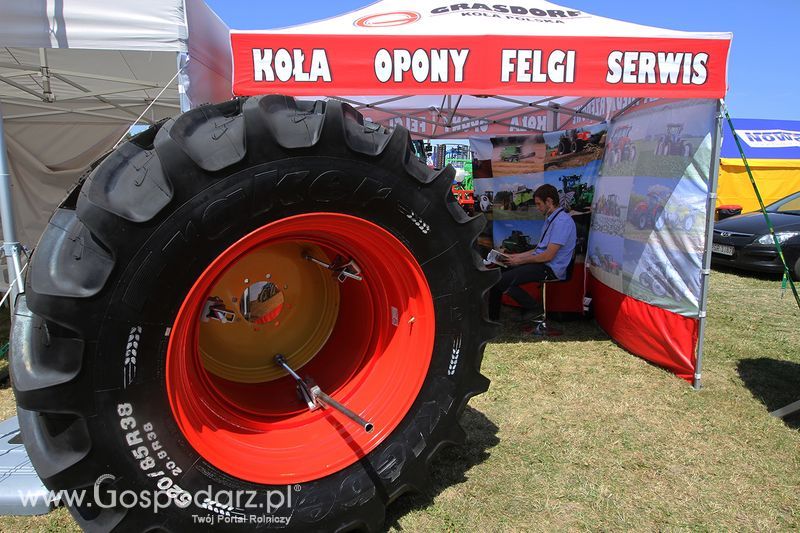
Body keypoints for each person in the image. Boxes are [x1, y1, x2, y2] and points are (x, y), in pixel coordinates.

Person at [488, 184, 577, 321]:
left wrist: (519, 261)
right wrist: (515, 257)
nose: (537, 207)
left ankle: (533, 308)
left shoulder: (562, 222)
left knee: (500, 280)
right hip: (543, 263)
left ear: (549, 201)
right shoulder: (551, 219)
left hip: (550, 268)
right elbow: (538, 249)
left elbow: (548, 256)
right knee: (499, 273)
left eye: (539, 204)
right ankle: (492, 318)